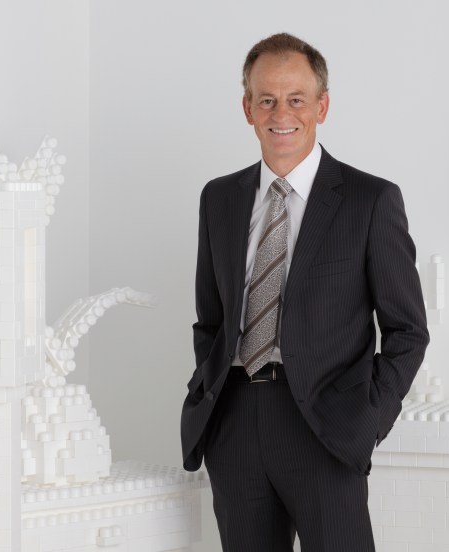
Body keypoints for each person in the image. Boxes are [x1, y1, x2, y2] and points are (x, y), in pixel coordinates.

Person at [180, 32, 429, 551]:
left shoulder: (370, 200)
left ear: (322, 106)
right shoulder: (219, 199)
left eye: (296, 99)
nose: (281, 113)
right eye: (266, 100)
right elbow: (211, 320)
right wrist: (210, 393)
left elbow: (407, 331)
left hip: (325, 428)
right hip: (234, 423)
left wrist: (368, 419)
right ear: (247, 108)